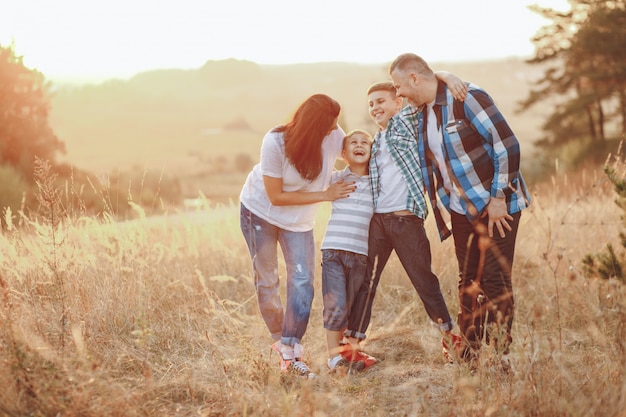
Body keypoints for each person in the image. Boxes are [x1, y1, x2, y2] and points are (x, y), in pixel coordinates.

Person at [389, 53, 531, 371]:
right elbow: (391, 120)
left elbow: (506, 145)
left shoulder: (467, 97)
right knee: (467, 280)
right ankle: (470, 352)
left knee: (493, 279)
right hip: (461, 209)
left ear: (414, 79)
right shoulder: (420, 113)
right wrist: (441, 73)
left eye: (399, 86)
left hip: (496, 203)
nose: (397, 94)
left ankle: (501, 355)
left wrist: (498, 198)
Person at [343, 74, 467, 362]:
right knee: (365, 282)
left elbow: (420, 89)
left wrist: (442, 75)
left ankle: (451, 337)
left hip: (405, 221)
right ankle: (352, 345)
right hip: (378, 222)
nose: (374, 107)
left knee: (424, 281)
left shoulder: (405, 123)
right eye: (371, 103)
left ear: (398, 103)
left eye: (381, 101)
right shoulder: (378, 140)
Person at [239, 94, 356, 378]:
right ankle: (284, 347)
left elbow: (355, 152)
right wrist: (325, 195)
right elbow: (276, 196)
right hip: (260, 213)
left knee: (302, 282)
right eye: (329, 124)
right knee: (267, 280)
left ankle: (291, 346)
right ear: (313, 125)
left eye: (337, 123)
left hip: (299, 221)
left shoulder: (333, 134)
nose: (335, 129)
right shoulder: (275, 141)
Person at [320, 129, 376, 374]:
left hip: (360, 254)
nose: (360, 145)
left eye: (365, 142)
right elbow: (313, 181)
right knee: (337, 306)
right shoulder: (335, 179)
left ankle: (345, 353)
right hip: (333, 250)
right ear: (344, 153)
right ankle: (333, 359)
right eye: (353, 142)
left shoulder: (377, 182)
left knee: (351, 308)